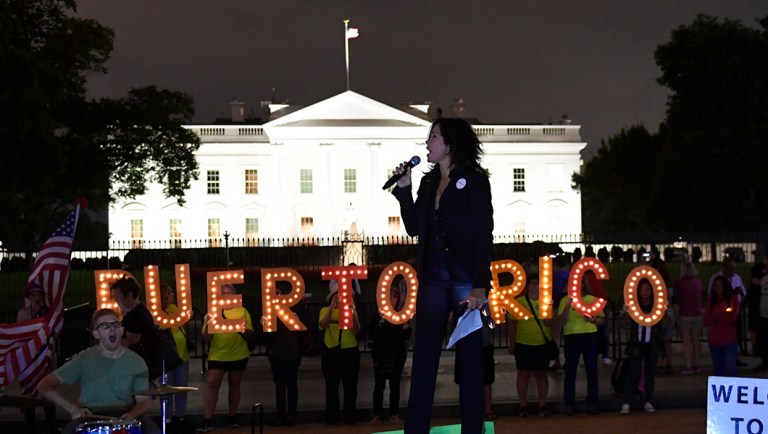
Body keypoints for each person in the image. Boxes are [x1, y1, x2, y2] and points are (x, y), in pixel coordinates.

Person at [391, 116, 493, 434]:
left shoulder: (474, 181)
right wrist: (404, 190)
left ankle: (472, 429)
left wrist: (480, 284)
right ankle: (416, 428)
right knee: (424, 360)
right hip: (434, 280)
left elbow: (482, 234)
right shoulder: (428, 182)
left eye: (433, 137)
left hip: (465, 282)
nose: (427, 143)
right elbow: (413, 228)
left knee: (470, 364)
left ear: (450, 144)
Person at [36, 308, 160, 434]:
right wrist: (73, 409)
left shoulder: (136, 361)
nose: (112, 329)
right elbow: (44, 385)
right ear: (96, 334)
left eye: (116, 324)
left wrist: (132, 414)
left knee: (153, 431)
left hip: (125, 413)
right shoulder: (84, 359)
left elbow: (143, 401)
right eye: (105, 326)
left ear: (121, 330)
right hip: (90, 414)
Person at [197, 284, 254, 432]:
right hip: (218, 355)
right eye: (223, 293)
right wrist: (209, 323)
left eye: (228, 293)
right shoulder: (213, 311)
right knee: (212, 385)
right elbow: (206, 337)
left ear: (235, 295)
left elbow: (249, 333)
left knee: (235, 385)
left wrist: (242, 328)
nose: (226, 296)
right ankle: (207, 418)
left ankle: (232, 417)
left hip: (238, 353)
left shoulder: (242, 311)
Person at [619, 279, 670, 415]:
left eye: (647, 289)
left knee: (650, 374)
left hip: (652, 345)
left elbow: (666, 325)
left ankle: (647, 401)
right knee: (632, 374)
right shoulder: (635, 307)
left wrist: (664, 311)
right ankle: (627, 402)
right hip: (637, 345)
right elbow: (626, 325)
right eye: (642, 289)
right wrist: (626, 313)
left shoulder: (657, 307)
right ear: (638, 291)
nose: (645, 292)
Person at [556, 275, 605, 416]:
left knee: (591, 370)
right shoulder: (565, 300)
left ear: (583, 285)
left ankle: (592, 402)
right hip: (571, 336)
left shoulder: (591, 300)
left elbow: (602, 320)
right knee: (570, 370)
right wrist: (567, 307)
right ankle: (569, 403)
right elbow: (562, 321)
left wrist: (593, 320)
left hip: (589, 336)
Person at [16, 281, 59, 434]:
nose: (36, 297)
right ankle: (30, 424)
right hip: (29, 357)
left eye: (38, 295)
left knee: (47, 389)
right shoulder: (23, 313)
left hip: (45, 356)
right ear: (29, 297)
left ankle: (52, 425)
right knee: (29, 389)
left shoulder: (47, 313)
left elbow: (54, 331)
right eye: (33, 295)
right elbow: (20, 333)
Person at [507, 274, 552, 417]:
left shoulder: (546, 302)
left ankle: (543, 404)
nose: (534, 286)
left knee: (541, 374)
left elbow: (548, 324)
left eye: (536, 283)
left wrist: (550, 312)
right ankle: (523, 405)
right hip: (523, 343)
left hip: (541, 343)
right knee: (523, 374)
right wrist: (512, 342)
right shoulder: (519, 302)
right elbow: (512, 324)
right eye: (532, 283)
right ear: (527, 287)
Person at [265, 281, 308, 427]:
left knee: (291, 384)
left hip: (292, 353)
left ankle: (291, 415)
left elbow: (305, 331)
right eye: (274, 294)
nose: (277, 296)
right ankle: (281, 415)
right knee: (279, 386)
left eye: (279, 293)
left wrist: (297, 321)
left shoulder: (293, 311)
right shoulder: (268, 314)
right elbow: (262, 337)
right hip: (276, 353)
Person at [368, 276, 411, 424]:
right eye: (390, 297)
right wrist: (381, 321)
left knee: (395, 384)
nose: (392, 300)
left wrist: (405, 325)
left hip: (397, 354)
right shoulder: (379, 315)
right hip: (381, 354)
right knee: (379, 385)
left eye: (395, 297)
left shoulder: (400, 316)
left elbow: (407, 335)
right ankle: (377, 414)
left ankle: (394, 413)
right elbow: (373, 333)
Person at [319, 280, 361, 425]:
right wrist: (332, 306)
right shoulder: (324, 310)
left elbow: (356, 330)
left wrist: (352, 312)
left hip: (350, 351)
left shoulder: (351, 310)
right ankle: (333, 418)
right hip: (331, 350)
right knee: (331, 386)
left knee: (350, 386)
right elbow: (323, 325)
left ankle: (350, 417)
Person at [111, 276, 166, 381]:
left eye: (118, 297)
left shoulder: (135, 315)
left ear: (129, 295)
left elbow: (130, 341)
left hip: (139, 366)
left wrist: (110, 341)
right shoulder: (140, 311)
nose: (116, 300)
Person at [159, 283, 191, 423]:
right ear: (164, 295)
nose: (172, 295)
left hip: (182, 355)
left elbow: (182, 327)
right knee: (167, 388)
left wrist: (187, 318)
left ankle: (180, 415)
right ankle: (166, 417)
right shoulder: (156, 313)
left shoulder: (174, 308)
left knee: (181, 386)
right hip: (166, 357)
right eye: (170, 293)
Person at [708, 257, 747, 366]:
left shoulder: (736, 278)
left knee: (736, 334)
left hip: (735, 310)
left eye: (733, 269)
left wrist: (739, 293)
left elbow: (744, 291)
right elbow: (711, 294)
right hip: (720, 312)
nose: (731, 271)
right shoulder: (717, 278)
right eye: (730, 269)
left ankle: (735, 356)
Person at [703, 275, 740, 377]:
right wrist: (720, 317)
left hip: (729, 339)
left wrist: (717, 317)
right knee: (719, 369)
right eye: (716, 286)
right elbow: (706, 320)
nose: (718, 288)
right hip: (714, 340)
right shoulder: (711, 302)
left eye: (721, 286)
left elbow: (732, 317)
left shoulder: (732, 300)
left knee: (730, 369)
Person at [673, 261, 704, 374]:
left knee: (686, 341)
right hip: (697, 313)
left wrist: (677, 318)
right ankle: (697, 363)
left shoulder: (679, 283)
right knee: (696, 340)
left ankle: (688, 364)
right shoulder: (697, 282)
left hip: (685, 314)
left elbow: (676, 301)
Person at [749, 255, 768, 370]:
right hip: (762, 310)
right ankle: (764, 360)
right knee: (763, 337)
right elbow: (755, 282)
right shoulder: (761, 273)